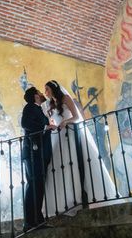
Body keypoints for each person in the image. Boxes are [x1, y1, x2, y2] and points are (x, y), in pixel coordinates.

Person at [42, 80, 117, 217]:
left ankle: (83, 197)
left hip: (72, 134)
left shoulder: (65, 98)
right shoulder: (50, 105)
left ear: (53, 88)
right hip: (58, 138)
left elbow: (77, 117)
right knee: (60, 167)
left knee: (77, 163)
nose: (45, 92)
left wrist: (66, 121)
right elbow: (53, 121)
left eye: (47, 89)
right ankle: (65, 201)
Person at [20, 86, 54, 231]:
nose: (42, 93)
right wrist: (46, 127)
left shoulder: (37, 109)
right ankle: (30, 222)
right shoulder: (30, 107)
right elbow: (25, 124)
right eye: (39, 92)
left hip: (38, 153)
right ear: (35, 96)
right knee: (34, 185)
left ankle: (37, 220)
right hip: (33, 152)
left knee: (37, 186)